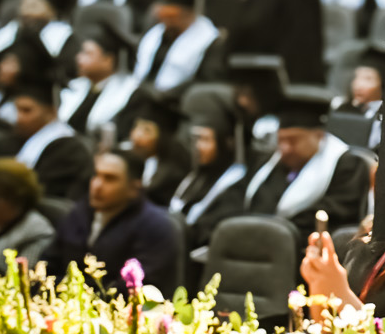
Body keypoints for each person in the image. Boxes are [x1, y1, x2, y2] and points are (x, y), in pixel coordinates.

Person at [241, 85, 371, 242]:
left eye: (293, 141)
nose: (285, 149)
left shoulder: (347, 165)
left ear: (319, 136)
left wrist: (275, 232)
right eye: (281, 140)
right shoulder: (268, 162)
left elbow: (334, 215)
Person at [47, 149, 181, 294]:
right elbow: (48, 265)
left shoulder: (155, 226)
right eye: (96, 175)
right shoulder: (79, 213)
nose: (97, 185)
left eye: (110, 179)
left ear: (133, 188)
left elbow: (134, 291)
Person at [166, 103, 248, 265]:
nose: (197, 147)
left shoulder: (236, 185)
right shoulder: (195, 176)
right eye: (195, 139)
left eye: (205, 140)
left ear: (226, 143)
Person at [8, 75, 94, 202]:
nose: (18, 118)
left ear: (51, 112)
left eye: (26, 111)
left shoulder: (67, 149)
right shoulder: (18, 138)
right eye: (17, 110)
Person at [132, 0, 220, 95]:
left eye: (172, 17)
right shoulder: (158, 32)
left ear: (189, 15)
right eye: (164, 18)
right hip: (145, 90)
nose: (166, 23)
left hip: (175, 97)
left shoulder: (209, 39)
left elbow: (202, 80)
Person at [57, 25, 138, 140]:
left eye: (87, 53)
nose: (79, 58)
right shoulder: (75, 86)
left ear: (108, 59)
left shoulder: (129, 93)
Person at [123, 92, 192, 208]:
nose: (136, 136)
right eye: (136, 126)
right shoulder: (123, 153)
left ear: (163, 137)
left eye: (147, 130)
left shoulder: (172, 174)